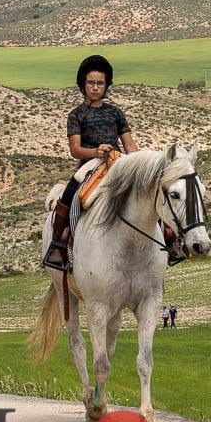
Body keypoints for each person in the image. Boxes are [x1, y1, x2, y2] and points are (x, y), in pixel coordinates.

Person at [42, 54, 139, 271]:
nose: (95, 87)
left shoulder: (115, 112)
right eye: (91, 82)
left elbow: (130, 144)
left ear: (106, 86)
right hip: (88, 165)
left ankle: (168, 239)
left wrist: (139, 164)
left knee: (145, 193)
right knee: (70, 196)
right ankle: (59, 245)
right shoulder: (76, 115)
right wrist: (96, 151)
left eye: (100, 83)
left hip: (116, 163)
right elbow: (75, 150)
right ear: (83, 85)